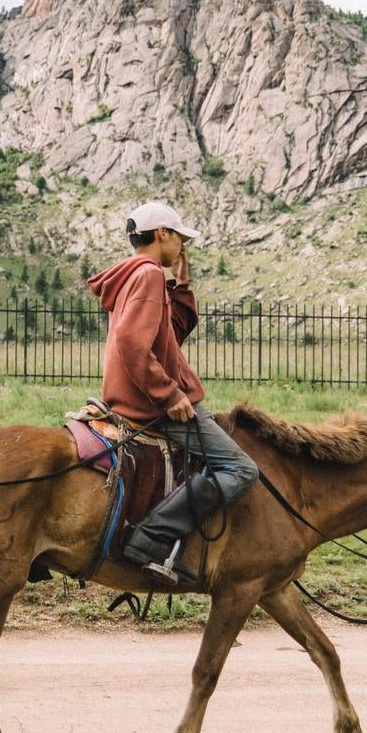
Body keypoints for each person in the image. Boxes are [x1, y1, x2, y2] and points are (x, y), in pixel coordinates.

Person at [86, 200, 258, 584]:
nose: (183, 246)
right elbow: (133, 342)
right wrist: (170, 395)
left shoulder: (135, 275)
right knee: (241, 469)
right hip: (151, 404)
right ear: (162, 233)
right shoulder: (147, 274)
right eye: (179, 237)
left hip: (139, 397)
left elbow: (167, 338)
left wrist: (181, 285)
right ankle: (153, 538)